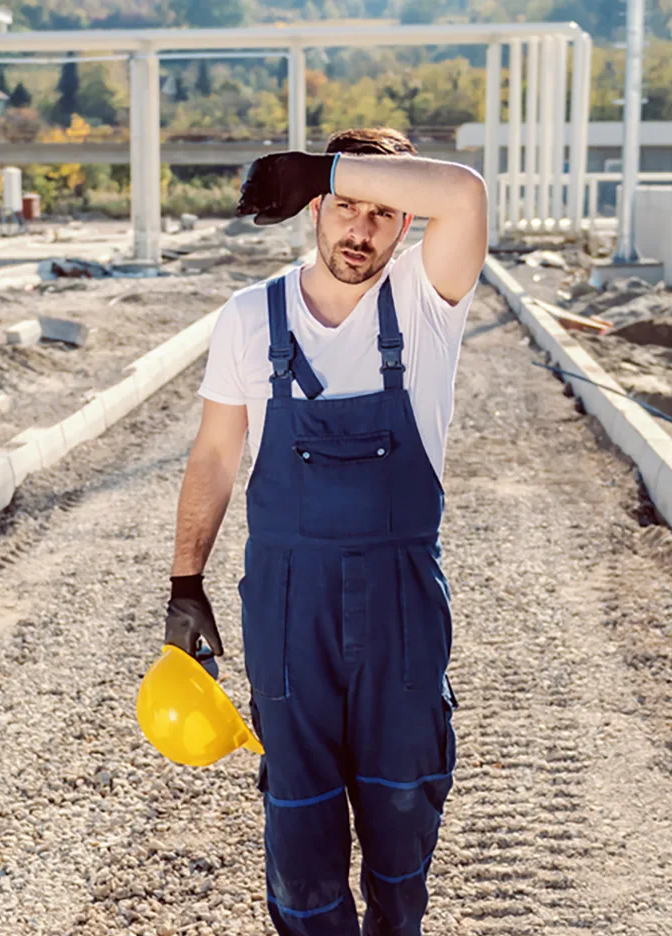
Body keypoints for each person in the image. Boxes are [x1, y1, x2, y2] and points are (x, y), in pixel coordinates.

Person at [161, 127, 488, 935]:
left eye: (384, 212)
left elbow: (466, 194)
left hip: (400, 612)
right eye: (345, 206)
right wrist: (184, 582)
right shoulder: (248, 318)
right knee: (300, 830)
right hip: (287, 604)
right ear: (317, 209)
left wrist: (326, 164)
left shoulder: (426, 303)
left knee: (401, 819)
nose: (361, 230)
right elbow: (213, 454)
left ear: (407, 222)